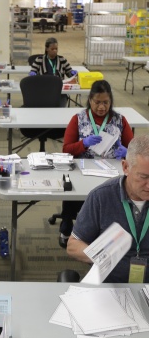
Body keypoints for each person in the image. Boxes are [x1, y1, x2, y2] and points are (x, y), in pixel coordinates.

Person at [59, 80, 134, 248]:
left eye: (105, 102)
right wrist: (83, 144)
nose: (101, 107)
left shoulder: (120, 121)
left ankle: (109, 229)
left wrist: (127, 153)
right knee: (73, 187)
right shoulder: (78, 119)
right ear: (90, 100)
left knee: (115, 193)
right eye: (97, 102)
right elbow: (66, 150)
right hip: (83, 168)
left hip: (112, 170)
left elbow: (136, 151)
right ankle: (67, 221)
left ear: (111, 101)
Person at [67, 134, 149, 283]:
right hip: (110, 286)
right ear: (125, 167)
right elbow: (73, 245)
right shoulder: (101, 197)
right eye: (144, 177)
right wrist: (100, 254)